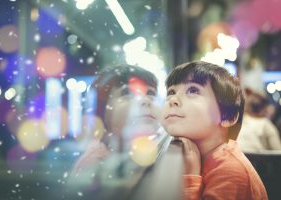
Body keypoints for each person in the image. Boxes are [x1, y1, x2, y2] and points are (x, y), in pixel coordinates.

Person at [161, 61, 268, 200]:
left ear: (227, 116)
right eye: (171, 92)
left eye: (193, 90)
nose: (173, 99)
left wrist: (191, 180)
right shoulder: (204, 156)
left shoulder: (230, 171)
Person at [67, 64, 168, 198]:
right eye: (127, 93)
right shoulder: (93, 165)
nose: (145, 100)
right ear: (103, 112)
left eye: (150, 93)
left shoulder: (162, 147)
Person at [237, 88, 281, 152]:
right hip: (258, 161)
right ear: (263, 109)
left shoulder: (239, 122)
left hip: (237, 159)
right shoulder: (266, 124)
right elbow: (278, 152)